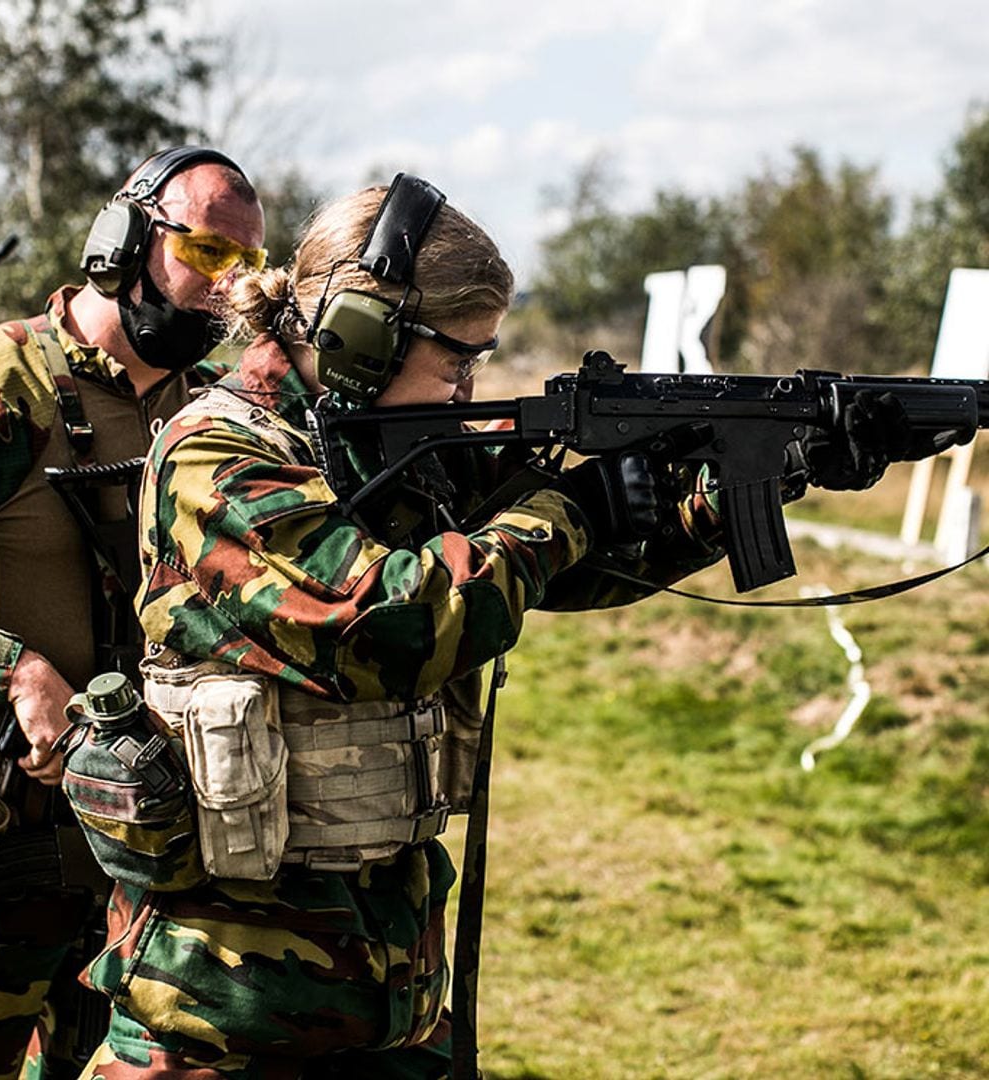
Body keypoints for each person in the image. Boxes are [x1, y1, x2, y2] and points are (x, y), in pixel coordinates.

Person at [71, 174, 921, 1080]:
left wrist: (764, 471)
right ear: (362, 338)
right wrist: (567, 513)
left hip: (387, 1010)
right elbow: (383, 626)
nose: (468, 387)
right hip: (219, 1020)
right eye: (456, 362)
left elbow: (573, 565)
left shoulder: (397, 445)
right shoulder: (220, 452)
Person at [0, 146, 266, 1080]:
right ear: (123, 241)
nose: (229, 288)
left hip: (156, 860)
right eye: (209, 254)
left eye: (248, 266)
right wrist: (10, 671)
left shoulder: (215, 413)